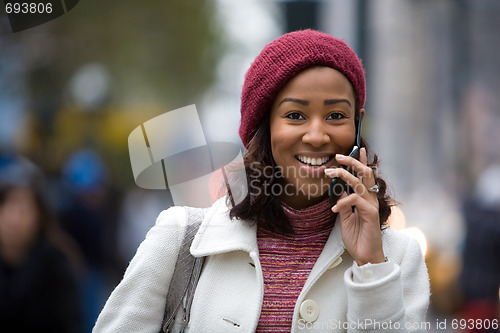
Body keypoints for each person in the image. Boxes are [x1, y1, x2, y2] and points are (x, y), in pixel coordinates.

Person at [93, 29, 429, 332]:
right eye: (295, 115)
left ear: (358, 125)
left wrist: (371, 268)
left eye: (336, 116)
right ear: (264, 127)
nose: (316, 135)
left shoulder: (396, 258)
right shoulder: (180, 239)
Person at [0, 155, 83, 333]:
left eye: (23, 210)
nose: (14, 219)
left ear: (40, 215)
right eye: (7, 208)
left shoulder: (56, 263)